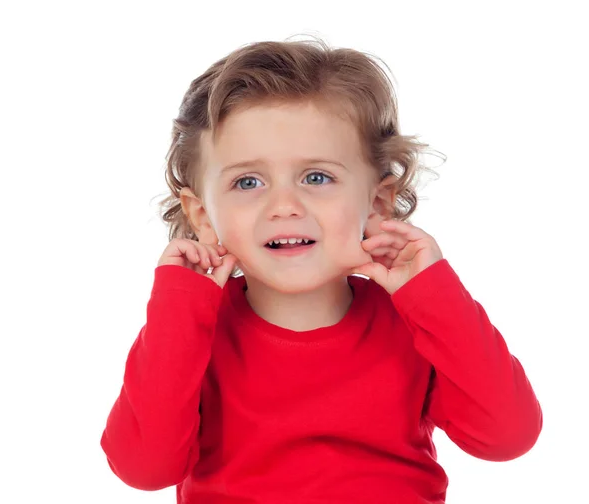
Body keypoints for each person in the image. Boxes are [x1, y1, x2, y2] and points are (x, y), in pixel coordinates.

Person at [100, 37, 542, 504]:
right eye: (248, 182)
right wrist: (178, 307)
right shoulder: (190, 331)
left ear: (377, 201)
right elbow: (144, 469)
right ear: (203, 217)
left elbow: (507, 437)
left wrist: (431, 293)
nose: (285, 206)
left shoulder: (417, 321)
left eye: (316, 177)